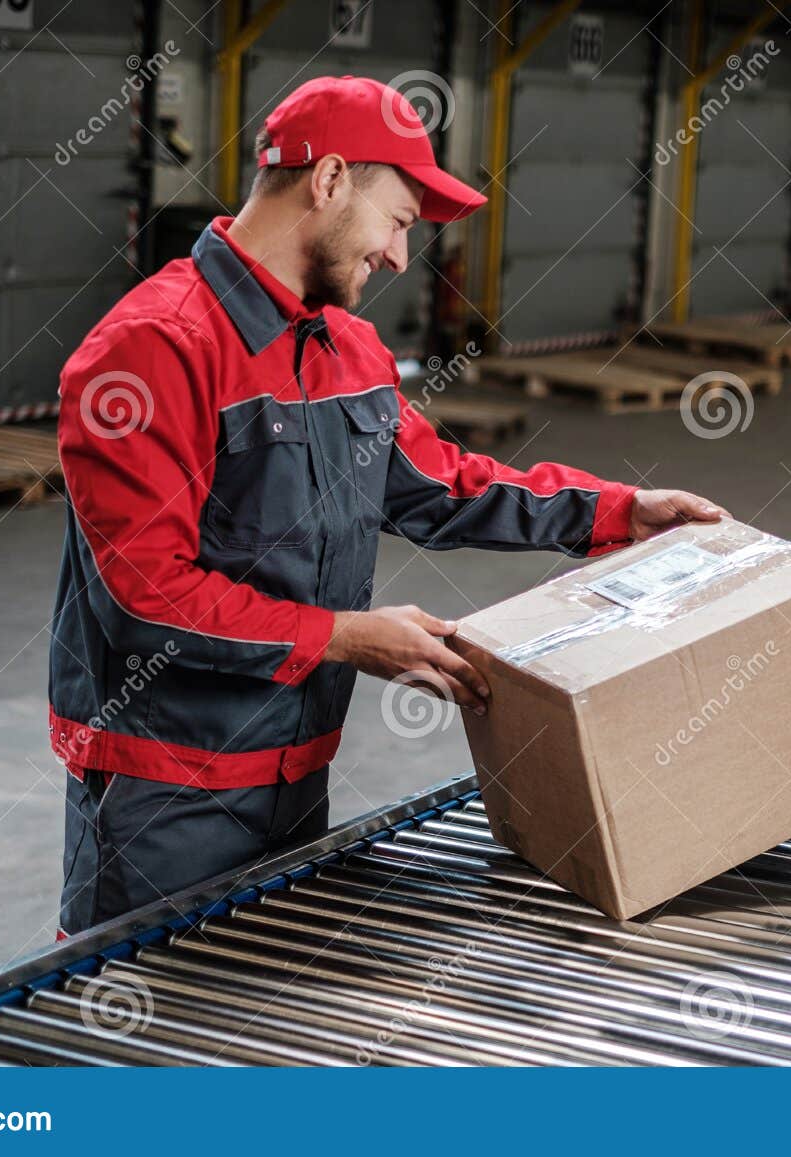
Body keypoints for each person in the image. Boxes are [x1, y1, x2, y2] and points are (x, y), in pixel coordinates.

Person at [47, 75, 729, 935]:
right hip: (162, 795)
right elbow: (147, 599)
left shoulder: (349, 348)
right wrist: (342, 637)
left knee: (262, 1029)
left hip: (296, 774)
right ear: (328, 181)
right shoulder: (152, 350)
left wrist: (617, 511)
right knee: (142, 1044)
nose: (402, 258)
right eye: (399, 221)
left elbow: (442, 483)